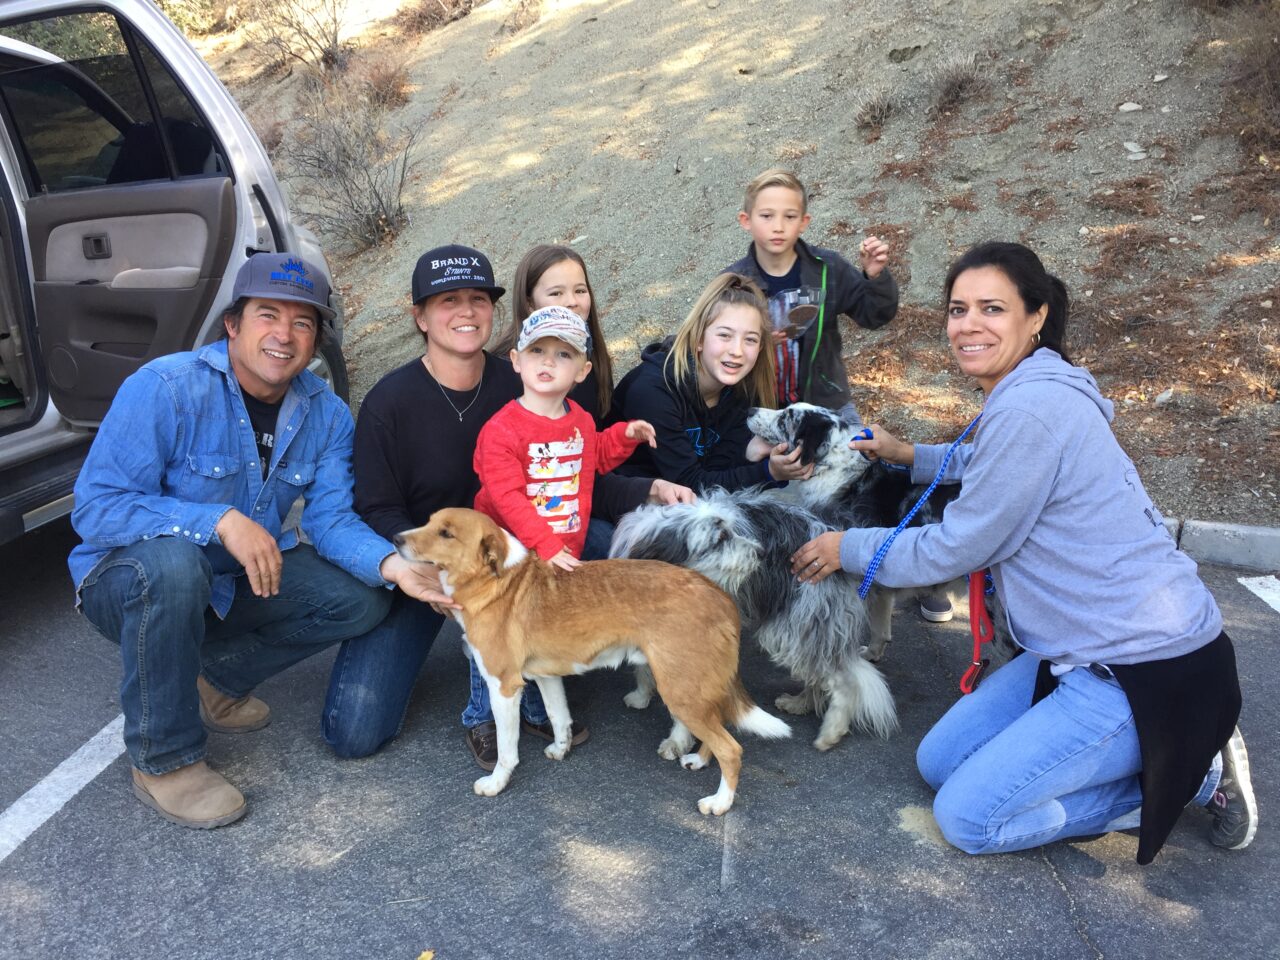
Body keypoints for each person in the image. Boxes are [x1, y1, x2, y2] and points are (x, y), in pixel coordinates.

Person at [790, 241, 1257, 863]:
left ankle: (1189, 775)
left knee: (967, 817)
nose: (968, 325)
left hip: (1142, 670)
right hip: (1075, 651)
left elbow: (958, 546)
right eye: (958, 310)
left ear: (1034, 317)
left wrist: (849, 546)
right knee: (938, 763)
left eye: (992, 308)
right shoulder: (1034, 389)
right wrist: (911, 456)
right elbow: (995, 467)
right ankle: (1155, 754)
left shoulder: (1030, 408)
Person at [70, 253, 438, 829]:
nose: (284, 336)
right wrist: (217, 520)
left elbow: (331, 521)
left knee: (362, 597)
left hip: (226, 582)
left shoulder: (328, 414)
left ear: (316, 340)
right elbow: (97, 509)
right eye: (268, 315)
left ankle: (215, 679)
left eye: (302, 323)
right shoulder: (165, 388)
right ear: (233, 325)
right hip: (127, 581)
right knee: (172, 563)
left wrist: (394, 566)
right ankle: (165, 760)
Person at [324, 245, 690, 768]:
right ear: (420, 316)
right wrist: (417, 568)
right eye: (448, 300)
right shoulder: (390, 401)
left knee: (623, 554)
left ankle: (561, 678)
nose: (467, 312)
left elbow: (579, 472)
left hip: (523, 543)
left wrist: (648, 489)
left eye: (478, 298)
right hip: (426, 559)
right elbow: (375, 508)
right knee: (354, 732)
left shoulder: (533, 377)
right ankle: (489, 705)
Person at [724, 169, 950, 622]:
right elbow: (719, 336)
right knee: (776, 494)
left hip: (828, 406)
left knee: (866, 488)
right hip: (771, 411)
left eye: (789, 216)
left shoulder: (826, 269)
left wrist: (875, 277)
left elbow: (874, 314)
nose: (778, 225)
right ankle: (781, 589)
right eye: (767, 215)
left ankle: (924, 578)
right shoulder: (735, 280)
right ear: (746, 221)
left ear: (804, 222)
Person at [474, 304, 655, 571]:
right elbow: (507, 498)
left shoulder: (580, 419)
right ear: (516, 360)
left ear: (582, 371)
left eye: (563, 354)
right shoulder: (501, 429)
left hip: (566, 545)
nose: (548, 361)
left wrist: (624, 436)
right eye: (536, 350)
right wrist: (545, 544)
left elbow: (591, 457)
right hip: (507, 553)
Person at [610, 273, 808, 493]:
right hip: (628, 504)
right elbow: (691, 485)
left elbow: (715, 468)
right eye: (724, 335)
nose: (737, 351)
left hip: (685, 504)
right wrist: (767, 472)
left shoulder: (741, 389)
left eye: (750, 339)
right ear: (699, 339)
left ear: (761, 347)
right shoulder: (653, 392)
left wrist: (749, 452)